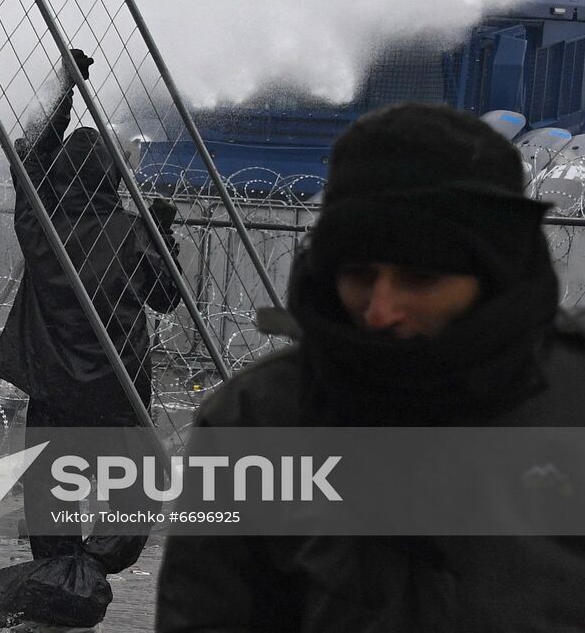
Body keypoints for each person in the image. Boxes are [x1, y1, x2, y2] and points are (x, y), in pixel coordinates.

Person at [156, 102, 585, 631]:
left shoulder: (571, 399)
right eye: (359, 274)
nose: (381, 311)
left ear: (495, 273)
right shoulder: (258, 419)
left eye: (420, 279)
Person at [0, 50, 182, 566]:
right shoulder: (133, 231)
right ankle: (95, 567)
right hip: (118, 390)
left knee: (52, 499)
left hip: (52, 389)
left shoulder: (41, 227)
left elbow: (28, 162)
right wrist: (162, 233)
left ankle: (58, 579)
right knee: (132, 493)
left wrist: (63, 89)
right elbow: (166, 297)